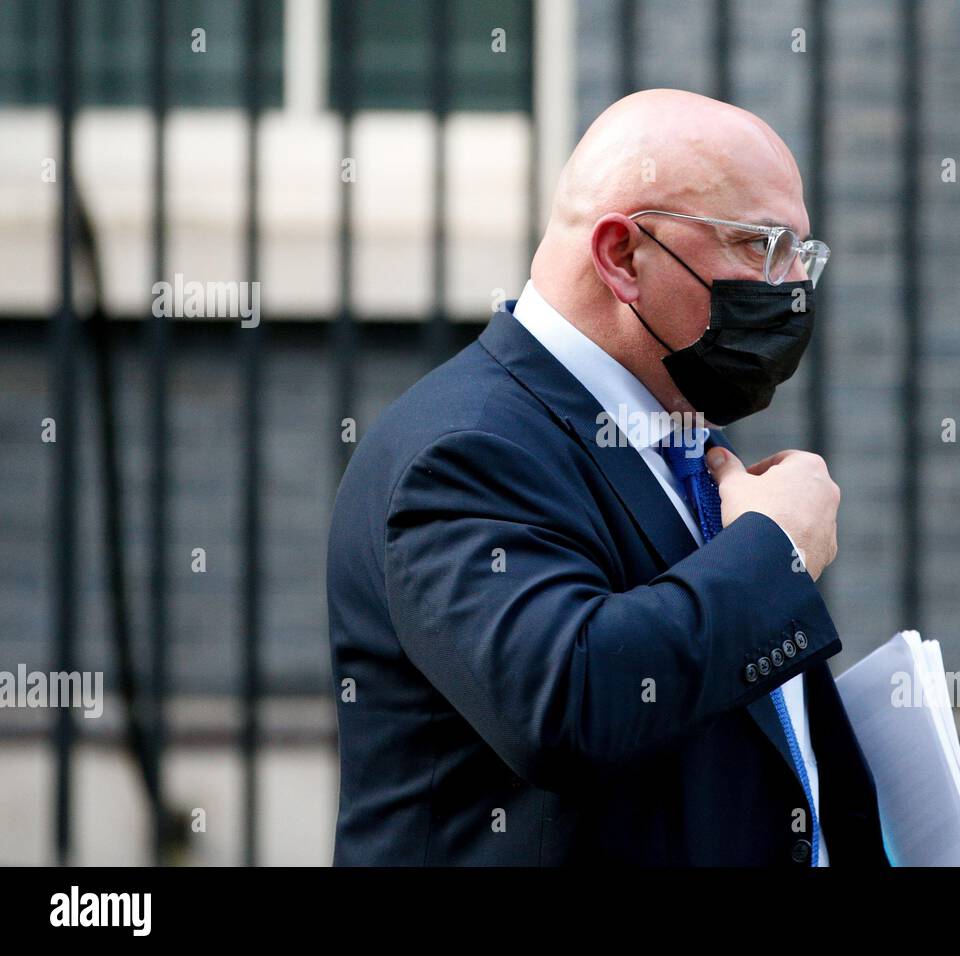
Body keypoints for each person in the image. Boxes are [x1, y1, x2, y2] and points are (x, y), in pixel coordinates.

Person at [328, 88, 890, 866]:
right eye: (762, 246)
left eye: (802, 253)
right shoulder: (464, 449)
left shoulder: (679, 435)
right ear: (623, 255)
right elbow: (569, 702)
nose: (792, 285)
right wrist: (773, 553)